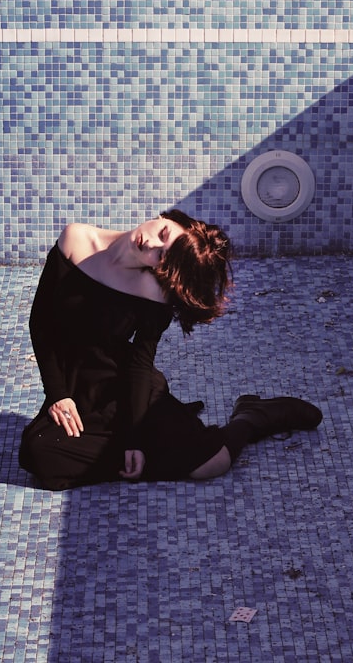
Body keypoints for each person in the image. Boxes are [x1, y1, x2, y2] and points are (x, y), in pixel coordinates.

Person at [18, 209, 322, 490]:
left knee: (213, 463)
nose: (149, 244)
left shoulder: (154, 291)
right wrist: (58, 394)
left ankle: (252, 418)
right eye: (162, 234)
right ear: (165, 217)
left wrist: (133, 440)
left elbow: (139, 363)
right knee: (40, 455)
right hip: (74, 387)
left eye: (160, 256)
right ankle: (155, 453)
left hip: (124, 392)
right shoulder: (76, 240)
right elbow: (41, 322)